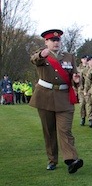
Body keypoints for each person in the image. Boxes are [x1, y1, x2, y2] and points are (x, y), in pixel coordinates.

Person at [29, 29, 83, 173]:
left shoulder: (69, 57)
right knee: (49, 130)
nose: (56, 43)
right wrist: (41, 54)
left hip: (64, 98)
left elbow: (74, 76)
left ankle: (71, 160)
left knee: (65, 130)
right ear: (46, 42)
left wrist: (77, 80)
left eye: (58, 40)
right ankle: (52, 159)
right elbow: (34, 60)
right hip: (44, 97)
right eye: (53, 40)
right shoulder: (41, 55)